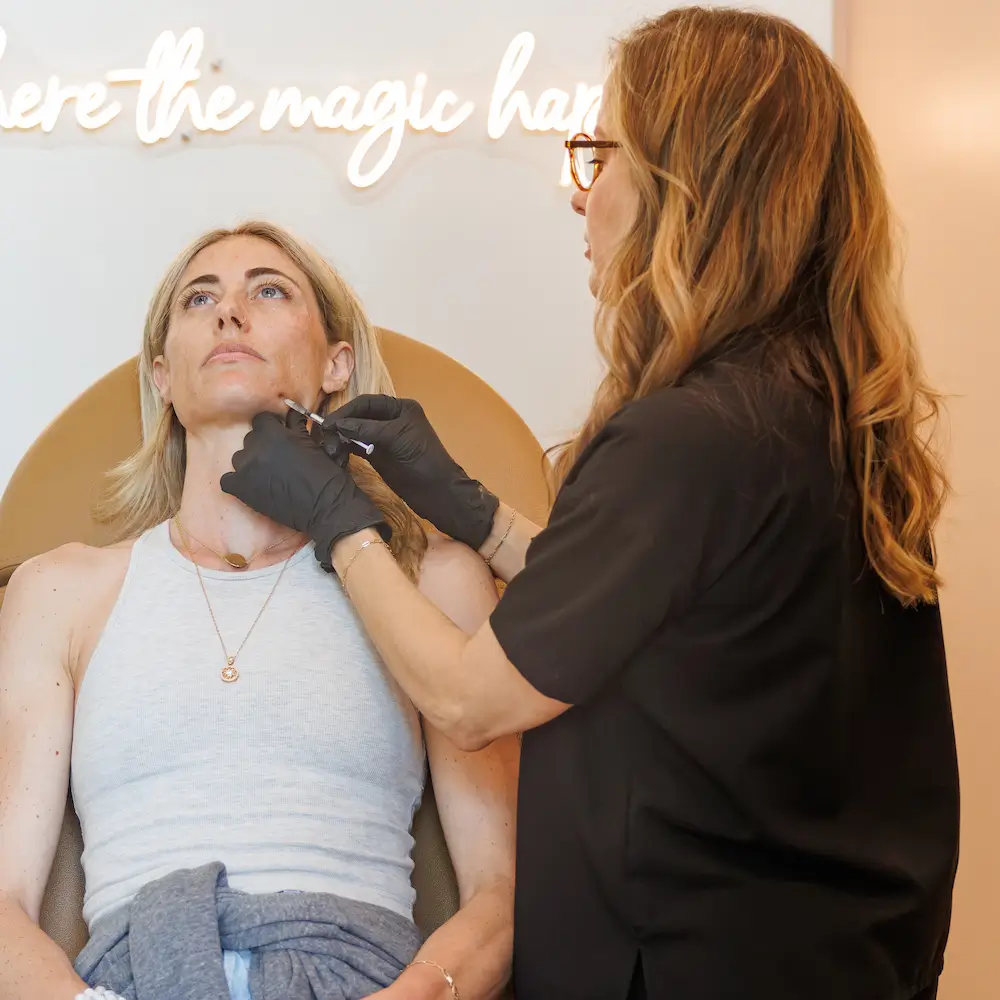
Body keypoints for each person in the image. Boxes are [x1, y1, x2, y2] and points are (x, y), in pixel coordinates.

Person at [220, 8, 960, 1000]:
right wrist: (475, 511)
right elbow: (665, 620)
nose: (582, 198)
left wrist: (338, 520)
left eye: (600, 155)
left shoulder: (687, 437)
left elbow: (470, 700)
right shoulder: (817, 418)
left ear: (681, 182)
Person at [0, 221, 519, 1000]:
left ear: (337, 364)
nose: (229, 312)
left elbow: (500, 895)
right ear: (162, 375)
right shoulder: (58, 593)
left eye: (269, 291)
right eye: (199, 297)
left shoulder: (434, 582)